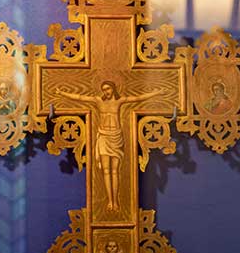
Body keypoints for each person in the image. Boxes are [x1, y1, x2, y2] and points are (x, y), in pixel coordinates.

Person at [56, 81, 165, 211]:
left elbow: (138, 98)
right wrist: (62, 93)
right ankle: (109, 201)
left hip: (116, 137)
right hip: (103, 136)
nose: (106, 91)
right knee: (106, 170)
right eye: (104, 89)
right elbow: (80, 97)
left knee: (115, 170)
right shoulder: (98, 101)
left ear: (113, 89)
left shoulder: (119, 101)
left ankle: (116, 201)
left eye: (108, 89)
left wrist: (156, 93)